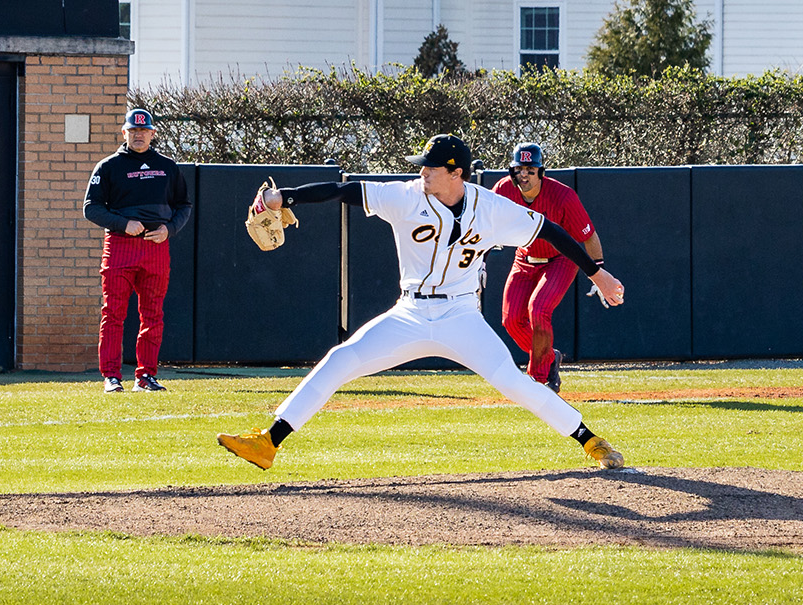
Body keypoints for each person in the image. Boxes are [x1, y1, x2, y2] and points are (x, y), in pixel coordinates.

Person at [217, 134, 628, 471]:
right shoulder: (406, 196)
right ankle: (268, 443)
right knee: (341, 360)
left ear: (456, 173)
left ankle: (589, 440)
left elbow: (552, 232)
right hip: (409, 313)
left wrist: (598, 273)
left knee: (513, 382)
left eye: (430, 166)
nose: (422, 171)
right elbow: (343, 191)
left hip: (461, 315)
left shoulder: (492, 208)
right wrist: (284, 197)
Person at [81, 108, 192, 393]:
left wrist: (170, 229)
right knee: (114, 313)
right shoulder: (108, 167)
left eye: (143, 131)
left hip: (156, 247)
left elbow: (184, 206)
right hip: (120, 247)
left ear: (153, 134)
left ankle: (146, 377)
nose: (138, 135)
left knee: (153, 314)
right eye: (133, 131)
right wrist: (123, 223)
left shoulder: (168, 166)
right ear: (124, 133)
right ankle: (111, 377)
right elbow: (91, 208)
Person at [490, 143, 602, 392]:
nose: (524, 175)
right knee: (511, 321)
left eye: (531, 169)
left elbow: (589, 236)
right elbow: (480, 222)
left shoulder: (562, 196)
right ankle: (550, 358)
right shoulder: (503, 189)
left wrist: (599, 273)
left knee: (538, 309)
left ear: (541, 171)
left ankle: (538, 379)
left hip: (559, 260)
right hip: (525, 258)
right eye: (519, 169)